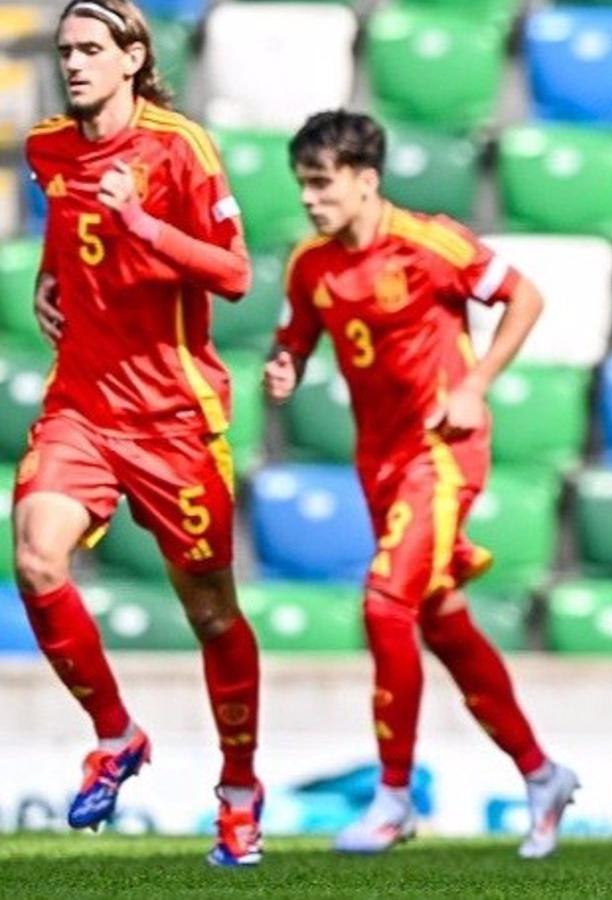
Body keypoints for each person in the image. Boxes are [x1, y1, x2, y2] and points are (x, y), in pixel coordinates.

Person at [263, 110, 578, 860]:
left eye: (322, 183)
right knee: (442, 625)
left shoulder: (430, 243)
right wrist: (286, 366)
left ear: (366, 180)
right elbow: (295, 336)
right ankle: (542, 775)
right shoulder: (309, 263)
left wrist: (474, 384)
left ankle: (394, 797)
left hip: (440, 454)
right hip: (377, 463)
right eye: (302, 184)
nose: (309, 198)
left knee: (385, 604)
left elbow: (526, 296)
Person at [17, 0, 262, 867]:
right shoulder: (47, 147)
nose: (74, 63)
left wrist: (142, 226)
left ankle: (239, 795)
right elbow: (67, 230)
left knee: (211, 614)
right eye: (65, 50)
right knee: (37, 558)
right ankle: (116, 736)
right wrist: (49, 278)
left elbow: (236, 273)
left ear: (132, 58)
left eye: (91, 49)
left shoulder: (180, 148)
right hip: (82, 407)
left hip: (174, 419)